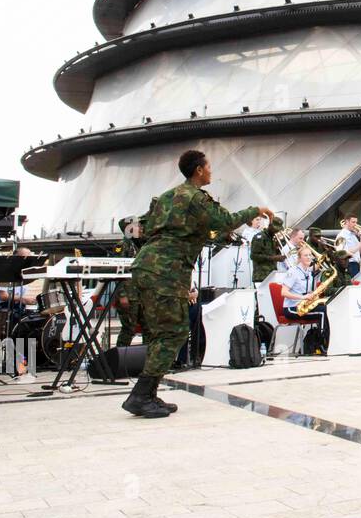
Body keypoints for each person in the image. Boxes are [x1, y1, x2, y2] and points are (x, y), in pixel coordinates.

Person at [121, 150, 273, 418]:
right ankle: (141, 395)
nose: (211, 171)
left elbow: (140, 225)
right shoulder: (195, 198)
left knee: (160, 333)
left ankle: (149, 394)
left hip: (149, 266)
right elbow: (225, 221)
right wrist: (256, 210)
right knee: (173, 333)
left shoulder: (167, 197)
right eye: (209, 167)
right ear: (199, 171)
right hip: (166, 271)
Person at [282, 243, 330, 351]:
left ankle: (325, 340)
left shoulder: (309, 272)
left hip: (304, 306)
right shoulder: (293, 272)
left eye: (310, 255)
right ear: (299, 258)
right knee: (322, 311)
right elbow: (283, 292)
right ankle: (322, 343)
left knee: (327, 308)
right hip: (292, 308)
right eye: (306, 255)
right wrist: (302, 297)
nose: (309, 257)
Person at [249, 214, 284, 286]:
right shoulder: (260, 237)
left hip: (272, 274)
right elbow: (253, 256)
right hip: (261, 276)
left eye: (278, 229)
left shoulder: (273, 238)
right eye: (275, 229)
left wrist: (278, 248)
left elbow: (274, 254)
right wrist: (272, 258)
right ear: (270, 226)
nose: (276, 231)